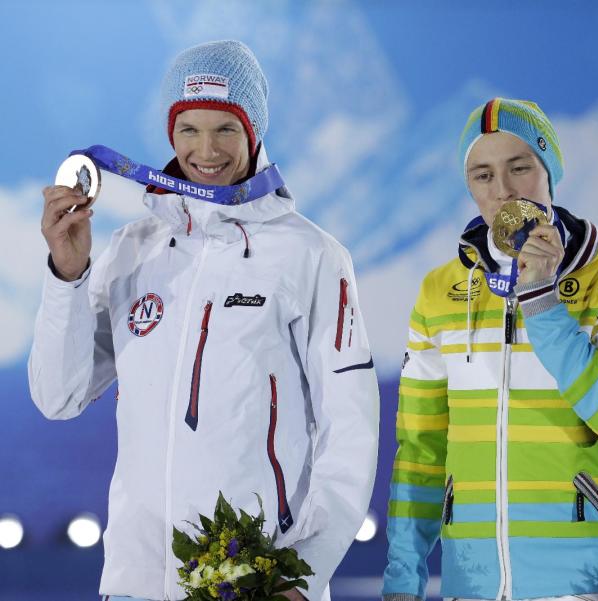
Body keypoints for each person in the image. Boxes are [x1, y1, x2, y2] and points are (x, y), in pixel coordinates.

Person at [29, 40, 379, 601]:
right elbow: (58, 396)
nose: (206, 149)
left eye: (226, 129)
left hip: (256, 580)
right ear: (171, 134)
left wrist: (302, 570)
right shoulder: (130, 249)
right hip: (135, 580)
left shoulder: (310, 256)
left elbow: (352, 431)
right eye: (189, 128)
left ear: (254, 133)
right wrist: (67, 275)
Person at [382, 98, 598, 601]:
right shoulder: (440, 290)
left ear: (549, 169)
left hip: (582, 580)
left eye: (520, 168)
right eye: (482, 175)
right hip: (472, 581)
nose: (504, 191)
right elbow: (420, 449)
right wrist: (403, 579)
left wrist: (543, 301)